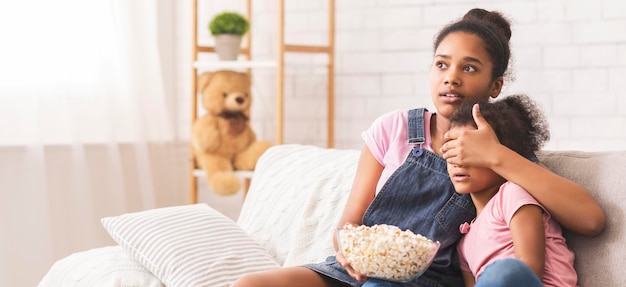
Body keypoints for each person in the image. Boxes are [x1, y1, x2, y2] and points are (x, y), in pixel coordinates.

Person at [230, 7, 605, 287]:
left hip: (429, 279)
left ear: (495, 85)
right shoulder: (392, 129)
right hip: (363, 267)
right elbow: (350, 220)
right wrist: (350, 251)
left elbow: (590, 220)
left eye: (469, 68)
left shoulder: (503, 148)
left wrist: (496, 155)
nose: (451, 77)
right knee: (250, 284)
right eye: (442, 64)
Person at [448, 95, 577, 287]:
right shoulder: (464, 242)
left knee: (506, 270)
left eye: (469, 152)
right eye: (452, 150)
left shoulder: (513, 195)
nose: (459, 161)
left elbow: (528, 270)